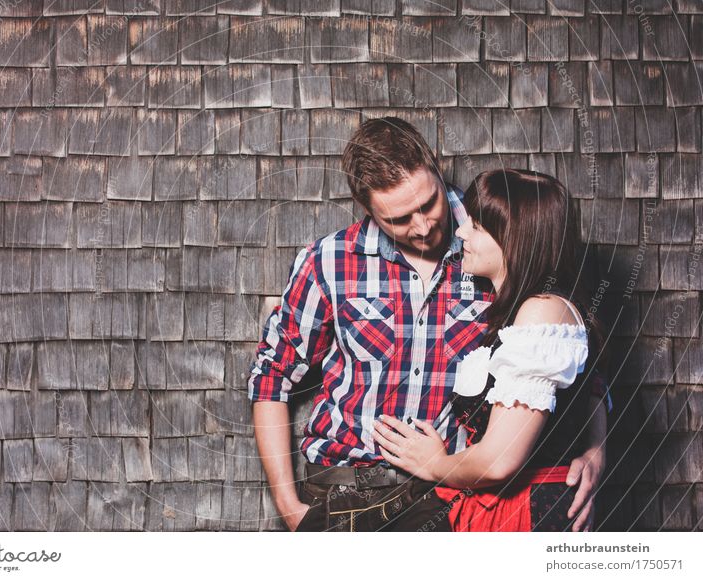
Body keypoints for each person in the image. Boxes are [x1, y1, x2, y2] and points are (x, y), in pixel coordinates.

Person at [248, 117, 608, 532]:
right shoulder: (327, 261)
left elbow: (573, 359)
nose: (422, 227)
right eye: (399, 219)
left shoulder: (496, 241)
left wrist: (597, 450)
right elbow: (272, 375)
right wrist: (289, 507)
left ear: (436, 168)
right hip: (344, 491)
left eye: (428, 204)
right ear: (366, 208)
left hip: (454, 497)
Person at [372, 168, 608, 531]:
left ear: (514, 238)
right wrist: (595, 448)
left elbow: (500, 460)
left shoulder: (542, 309)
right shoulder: (522, 311)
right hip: (495, 511)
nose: (461, 233)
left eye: (477, 226)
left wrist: (434, 464)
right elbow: (587, 386)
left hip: (527, 515)